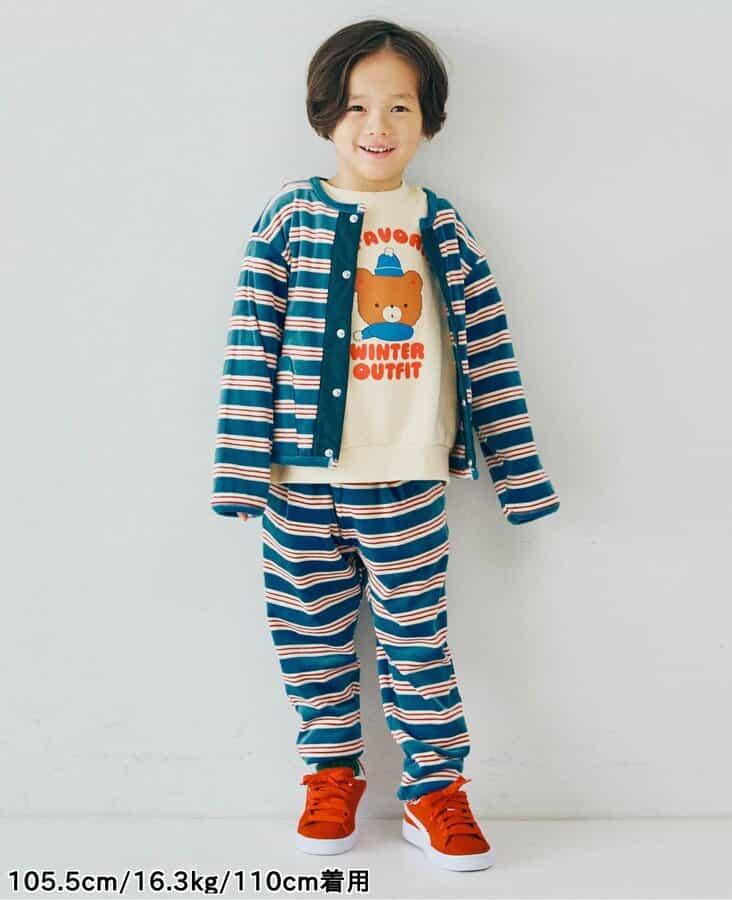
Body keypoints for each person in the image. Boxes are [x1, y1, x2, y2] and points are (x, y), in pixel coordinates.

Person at [210, 18, 560, 871]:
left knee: (417, 642)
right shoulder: (290, 218)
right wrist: (240, 470)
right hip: (297, 483)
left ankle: (434, 790)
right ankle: (330, 775)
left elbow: (490, 353)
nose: (377, 125)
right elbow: (251, 341)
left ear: (428, 121)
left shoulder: (442, 225)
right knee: (311, 639)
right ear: (324, 114)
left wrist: (519, 476)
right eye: (358, 105)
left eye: (400, 106)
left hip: (407, 480)